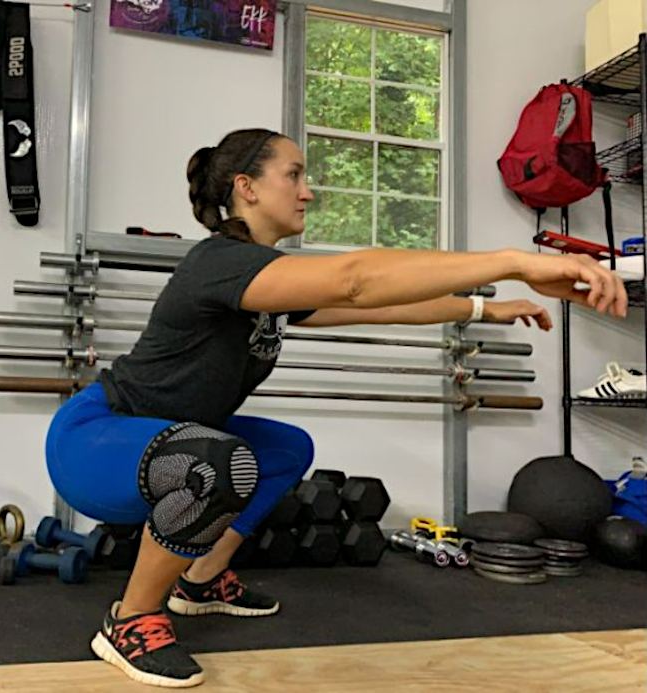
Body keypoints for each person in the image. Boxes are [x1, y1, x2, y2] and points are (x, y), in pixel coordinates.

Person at [44, 128, 628, 688]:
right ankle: (131, 621)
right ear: (246, 187)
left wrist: (481, 310)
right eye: (293, 175)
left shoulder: (263, 280)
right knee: (218, 461)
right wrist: (514, 261)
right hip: (98, 441)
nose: (308, 190)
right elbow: (354, 280)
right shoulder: (218, 261)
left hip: (163, 441)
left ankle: (198, 581)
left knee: (282, 449)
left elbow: (376, 307)